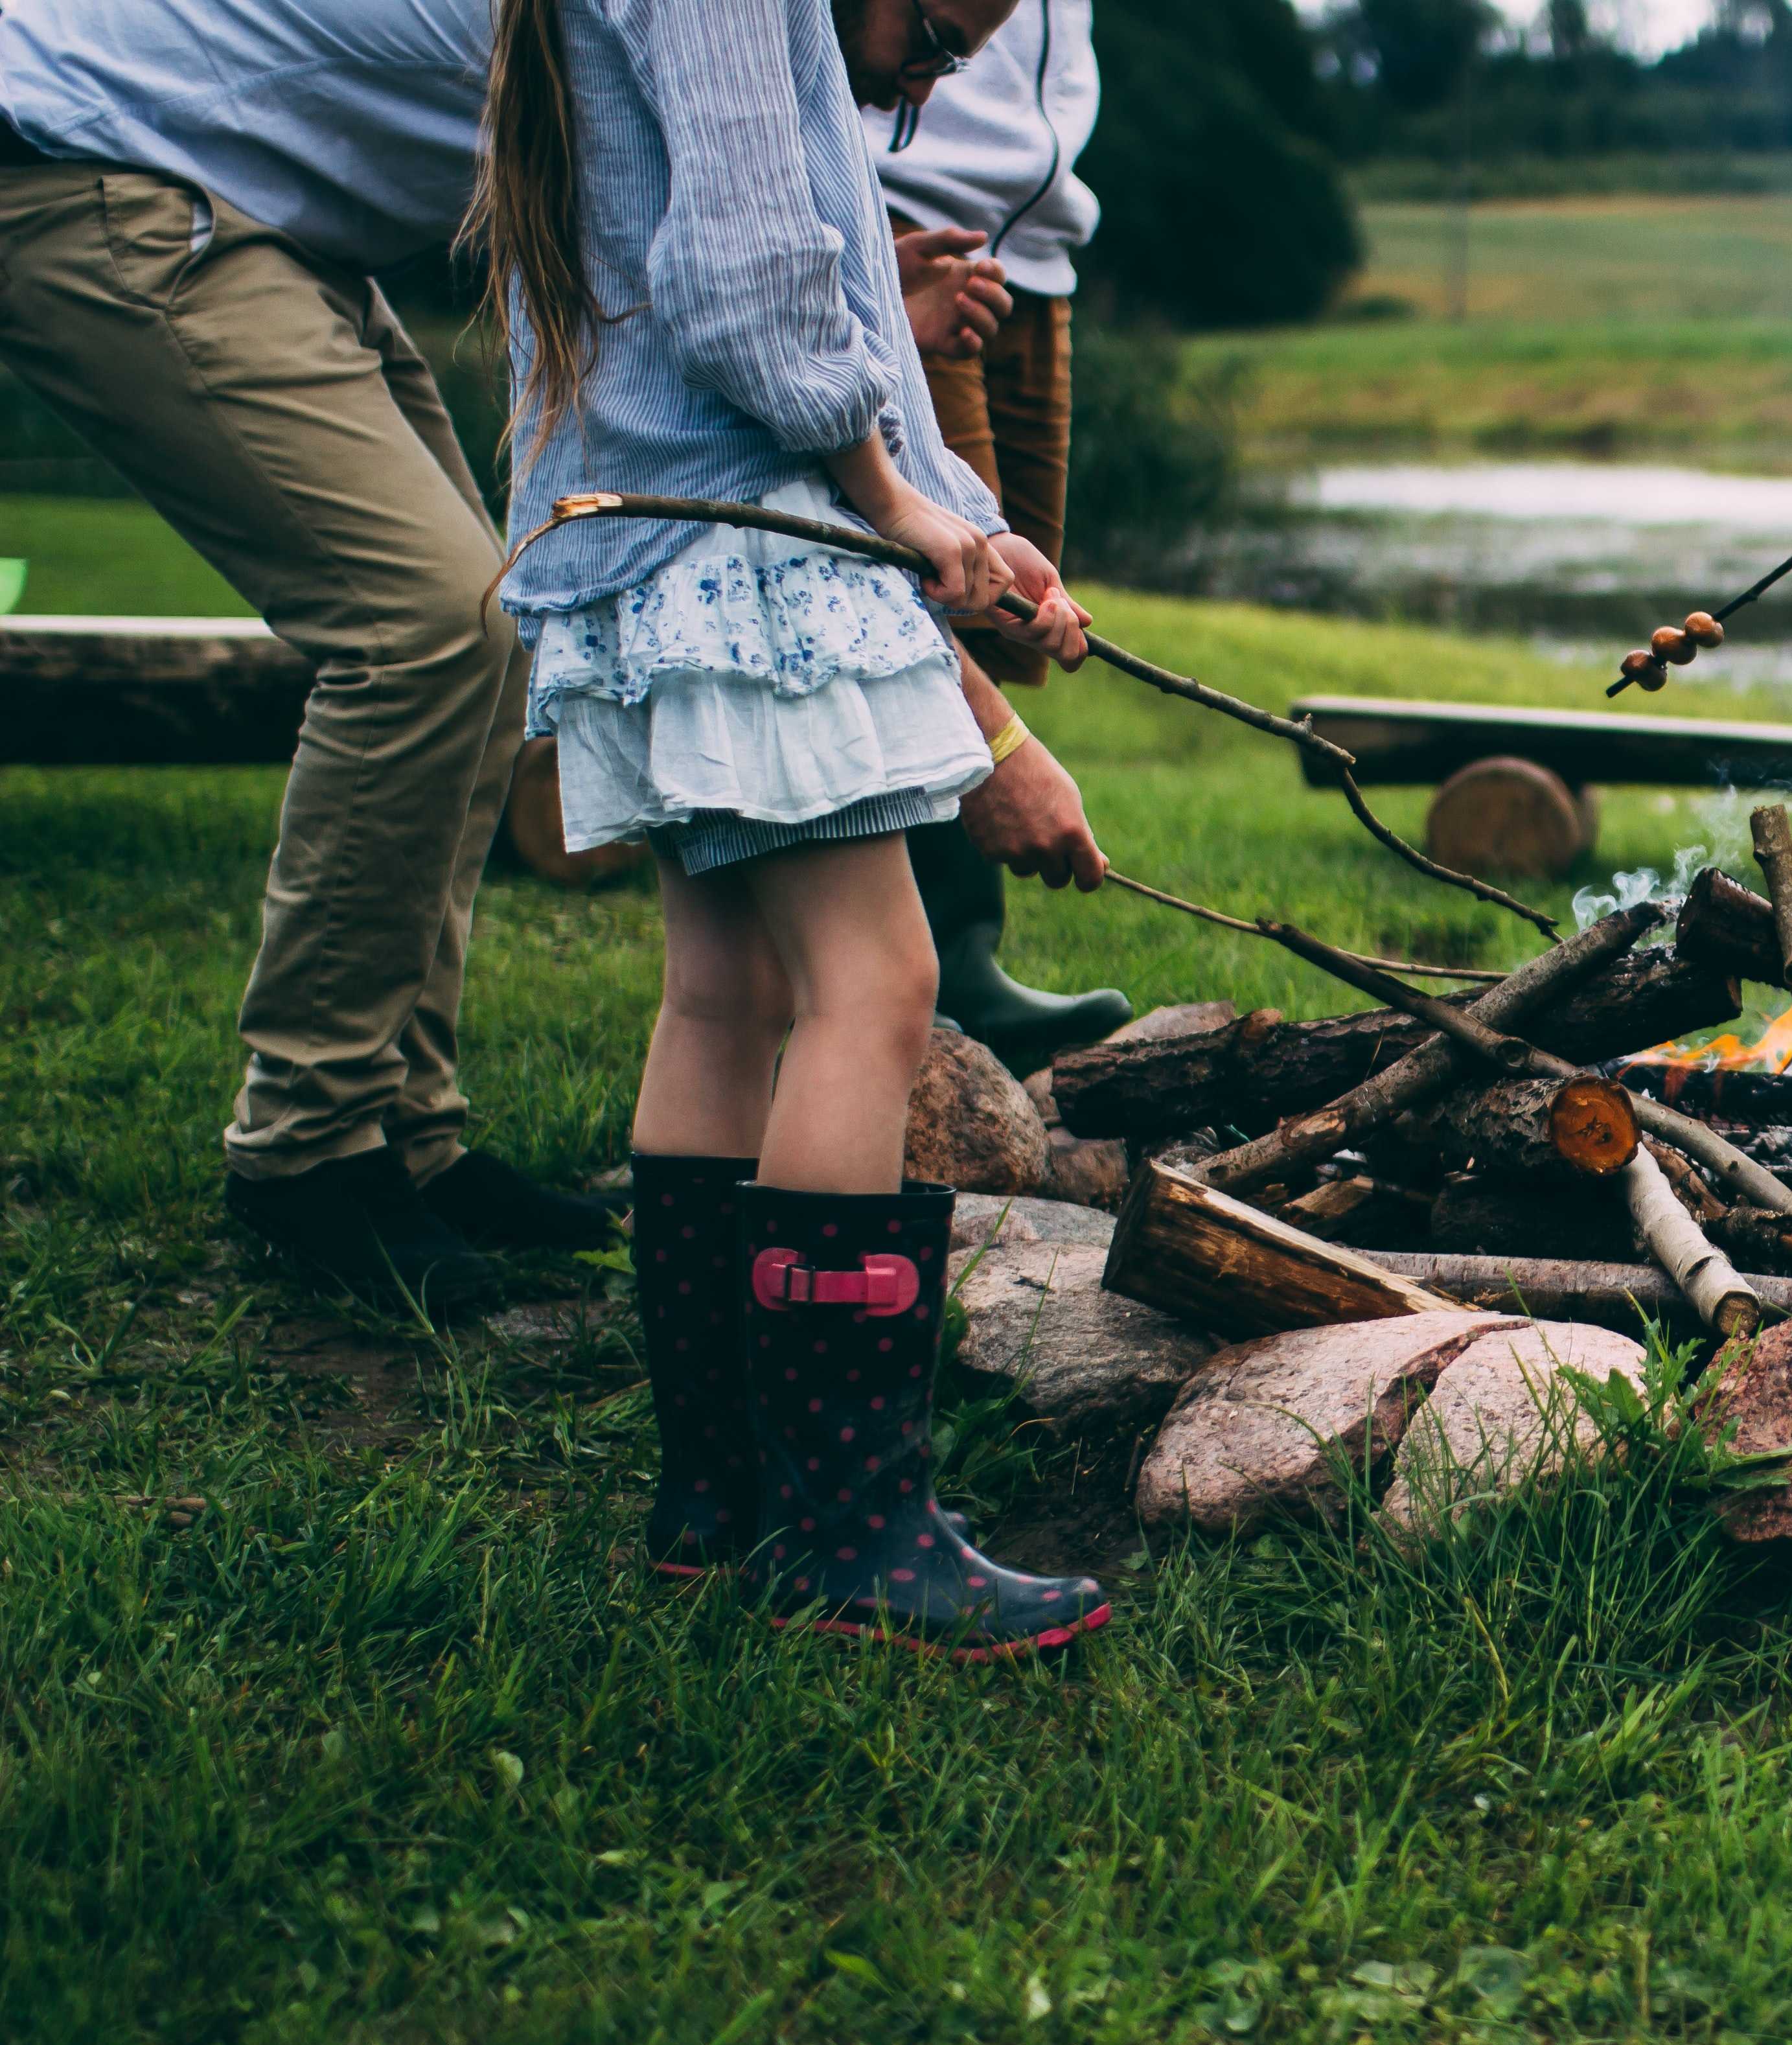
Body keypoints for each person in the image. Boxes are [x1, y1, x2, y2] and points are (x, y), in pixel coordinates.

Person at [473, 0, 1110, 1658]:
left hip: (642, 537)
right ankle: (851, 1529)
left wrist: (978, 536)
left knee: (727, 999)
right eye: (940, 20)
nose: (947, 59)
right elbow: (753, 281)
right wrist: (903, 516)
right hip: (742, 548)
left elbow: (807, 310)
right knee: (875, 992)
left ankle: (726, 1497)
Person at [0, 0, 619, 1312]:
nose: (922, 86)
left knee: (487, 631)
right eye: (934, 41)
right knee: (428, 628)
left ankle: (406, 1126)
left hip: (261, 204)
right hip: (101, 158)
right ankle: (307, 1148)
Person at [867, 0, 1135, 1072]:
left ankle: (946, 954)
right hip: (907, 214)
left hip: (1041, 244)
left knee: (1009, 612)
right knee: (927, 587)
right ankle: (932, 959)